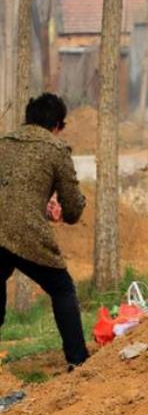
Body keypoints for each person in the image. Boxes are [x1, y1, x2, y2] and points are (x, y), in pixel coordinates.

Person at [0, 93, 89, 370]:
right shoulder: (56, 149)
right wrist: (63, 210)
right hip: (26, 233)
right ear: (57, 126)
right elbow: (72, 207)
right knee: (62, 288)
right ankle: (78, 361)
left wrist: (41, 200)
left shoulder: (3, 144)